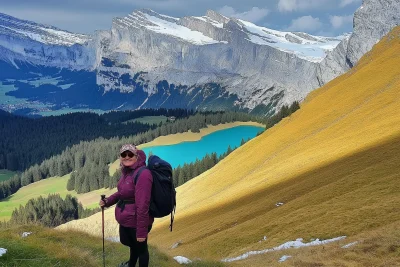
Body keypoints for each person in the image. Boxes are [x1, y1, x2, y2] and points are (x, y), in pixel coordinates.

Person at [99, 144, 154, 267]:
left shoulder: (143, 174)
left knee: (142, 250)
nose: (127, 157)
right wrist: (108, 201)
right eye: (124, 154)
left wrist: (141, 231)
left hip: (137, 221)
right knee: (132, 245)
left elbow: (143, 205)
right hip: (127, 219)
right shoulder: (127, 172)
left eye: (130, 154)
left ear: (136, 156)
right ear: (120, 157)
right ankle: (131, 265)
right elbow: (122, 193)